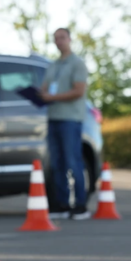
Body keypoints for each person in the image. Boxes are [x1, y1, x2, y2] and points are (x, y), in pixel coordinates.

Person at [39, 28, 90, 220]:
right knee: (57, 163)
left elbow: (78, 91)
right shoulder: (52, 66)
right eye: (55, 39)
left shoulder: (77, 64)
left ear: (69, 39)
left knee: (72, 161)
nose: (58, 42)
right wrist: (39, 95)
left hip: (70, 119)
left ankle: (80, 205)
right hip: (53, 118)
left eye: (62, 38)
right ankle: (61, 204)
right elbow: (45, 89)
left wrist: (53, 96)